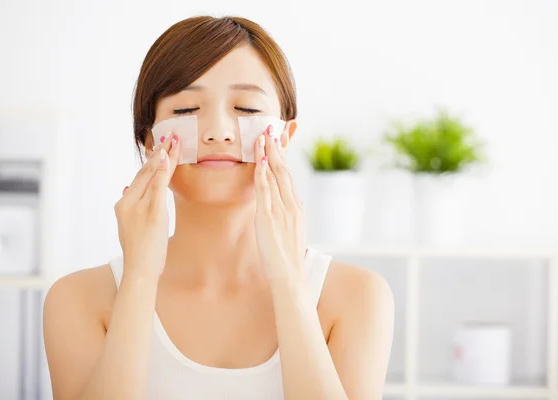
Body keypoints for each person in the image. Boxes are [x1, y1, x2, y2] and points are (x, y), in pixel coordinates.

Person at [43, 15, 394, 400]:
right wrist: (139, 277)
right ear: (149, 140)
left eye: (245, 108)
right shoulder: (77, 301)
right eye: (184, 110)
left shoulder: (357, 298)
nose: (218, 130)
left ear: (285, 136)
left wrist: (290, 281)